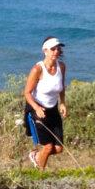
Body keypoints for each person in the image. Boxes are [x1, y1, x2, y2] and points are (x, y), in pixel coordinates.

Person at [23, 36, 67, 169]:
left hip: (53, 109)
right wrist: (36, 108)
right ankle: (40, 174)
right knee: (48, 147)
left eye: (58, 49)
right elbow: (26, 93)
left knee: (59, 148)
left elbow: (62, 86)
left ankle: (36, 156)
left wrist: (63, 103)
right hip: (37, 110)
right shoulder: (38, 69)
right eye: (52, 49)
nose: (56, 51)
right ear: (45, 51)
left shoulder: (62, 67)